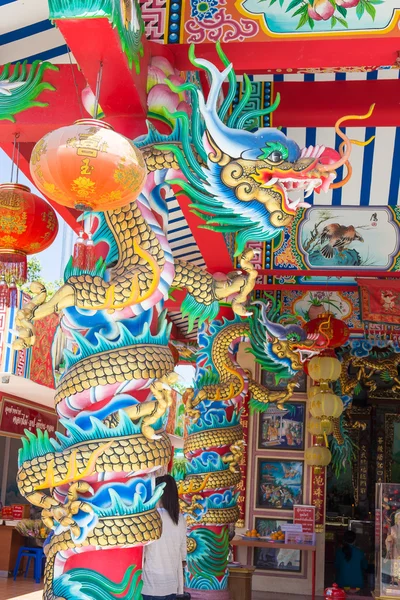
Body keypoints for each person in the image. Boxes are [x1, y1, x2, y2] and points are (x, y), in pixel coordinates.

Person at [142, 474, 187, 600]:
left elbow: (143, 552)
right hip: (171, 583)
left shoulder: (151, 517)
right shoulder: (180, 519)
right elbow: (183, 557)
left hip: (151, 584)